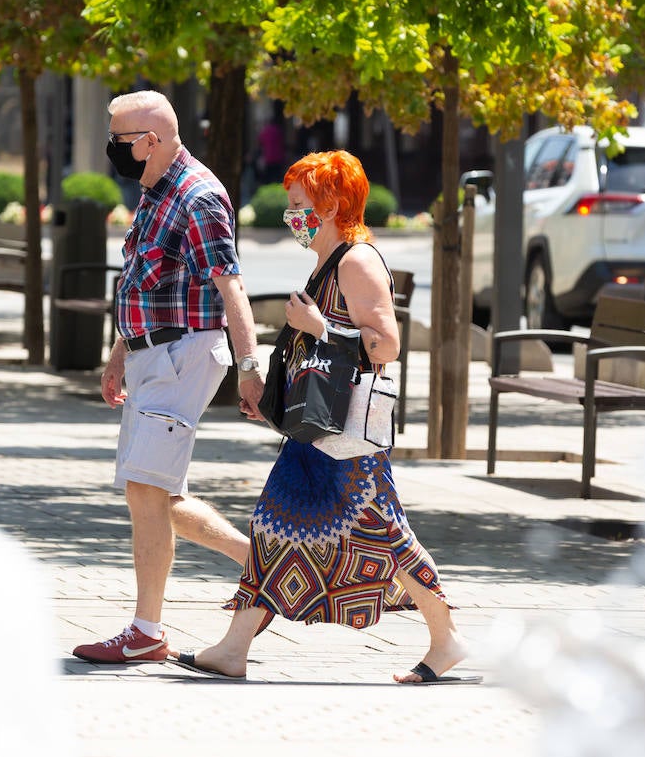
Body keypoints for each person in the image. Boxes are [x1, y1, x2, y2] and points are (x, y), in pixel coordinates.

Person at [170, 150, 474, 684]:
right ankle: (234, 648)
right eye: (291, 205)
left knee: (387, 536)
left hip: (351, 436)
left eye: (300, 205)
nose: (292, 216)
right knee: (272, 525)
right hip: (321, 433)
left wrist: (318, 327)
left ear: (332, 205)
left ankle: (446, 639)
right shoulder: (328, 260)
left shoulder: (357, 261)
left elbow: (386, 347)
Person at [72, 90, 267, 664]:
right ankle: (266, 565)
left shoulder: (199, 197)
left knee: (145, 489)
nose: (113, 148)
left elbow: (232, 287)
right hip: (151, 355)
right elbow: (140, 281)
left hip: (183, 355)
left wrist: (252, 367)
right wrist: (118, 355)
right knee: (157, 494)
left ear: (150, 140)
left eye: (119, 139)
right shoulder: (155, 189)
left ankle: (147, 630)